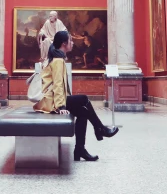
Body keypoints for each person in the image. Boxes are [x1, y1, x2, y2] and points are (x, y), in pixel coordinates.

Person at [33, 31, 119, 162]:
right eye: (71, 41)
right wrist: (61, 106)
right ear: (64, 44)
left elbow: (59, 86)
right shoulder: (58, 61)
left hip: (51, 99)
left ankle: (80, 149)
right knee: (84, 98)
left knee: (83, 113)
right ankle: (100, 129)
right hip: (52, 101)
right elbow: (57, 84)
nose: (73, 43)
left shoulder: (57, 58)